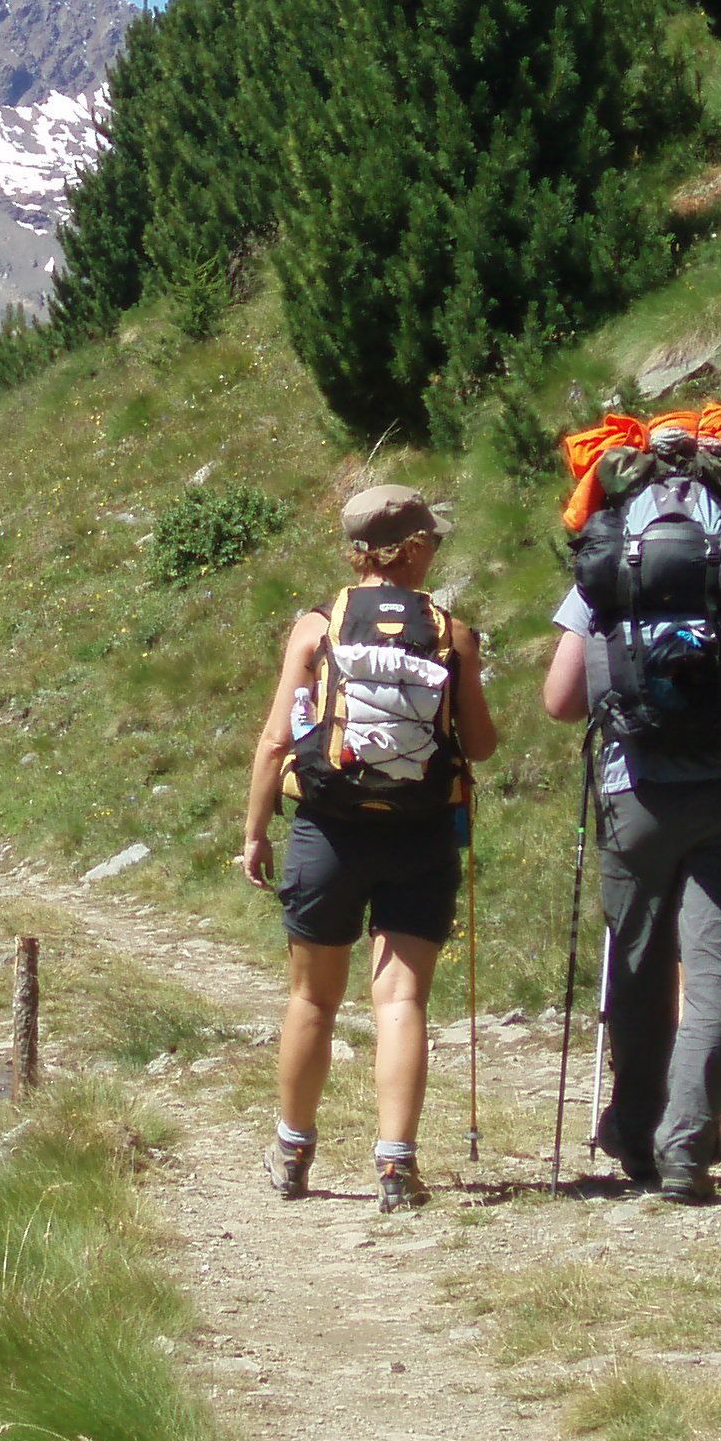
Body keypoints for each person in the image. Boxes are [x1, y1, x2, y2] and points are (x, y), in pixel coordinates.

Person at [541, 405, 721, 1200]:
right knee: (718, 964)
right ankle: (689, 1145)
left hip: (636, 786)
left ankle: (634, 1134)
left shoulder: (612, 551)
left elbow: (560, 700)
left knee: (636, 962)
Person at [241, 484, 498, 1213]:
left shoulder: (315, 630)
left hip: (328, 830)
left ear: (358, 552)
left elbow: (274, 741)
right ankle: (396, 1167)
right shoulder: (452, 632)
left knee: (313, 1000)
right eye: (433, 541)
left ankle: (292, 1152)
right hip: (418, 833)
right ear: (413, 549)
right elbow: (478, 744)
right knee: (402, 997)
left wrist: (255, 832)